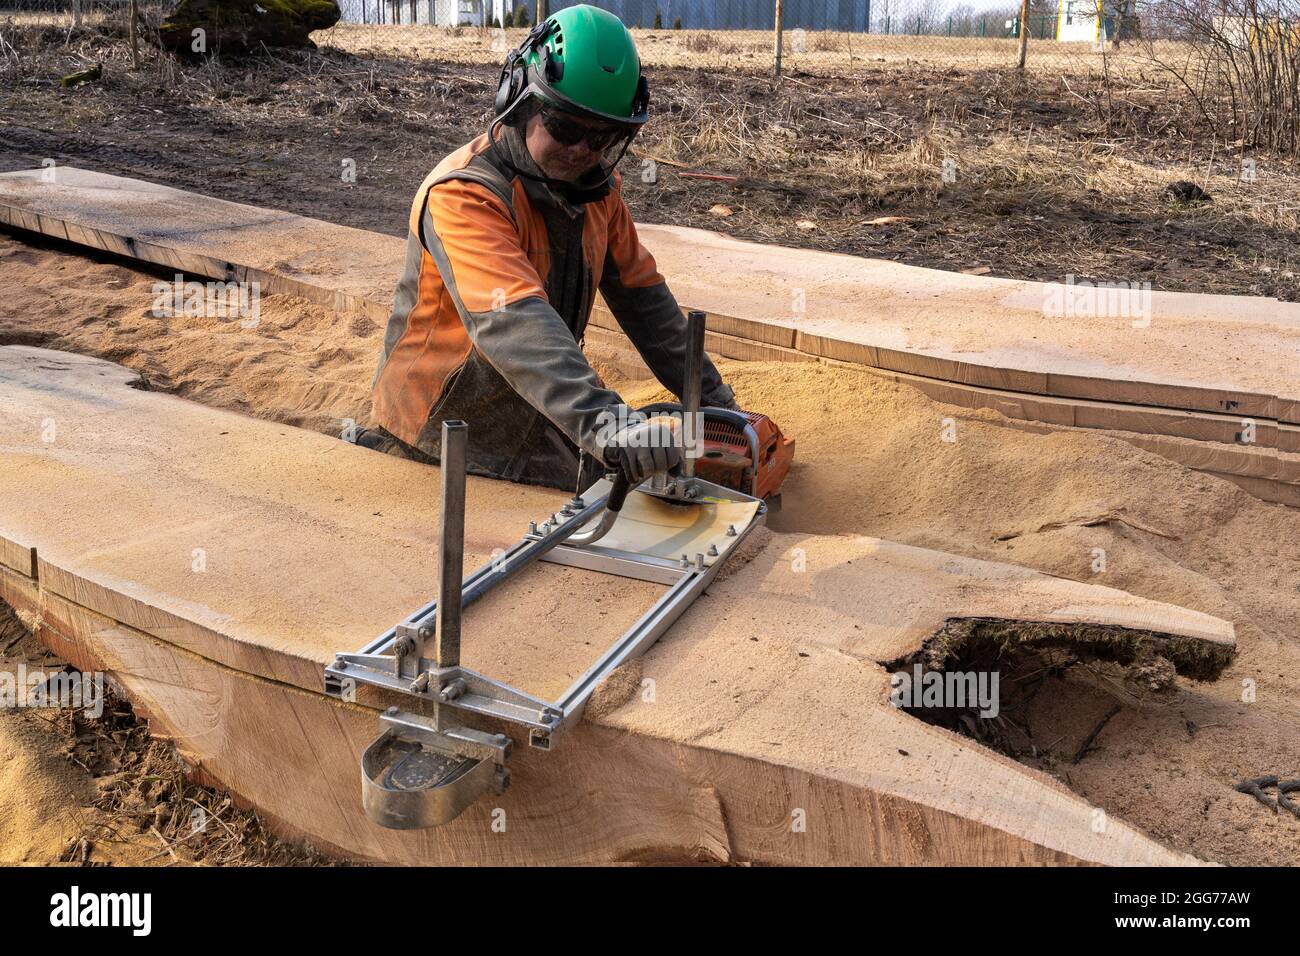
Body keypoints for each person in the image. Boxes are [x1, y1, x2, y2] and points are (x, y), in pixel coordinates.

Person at [357, 4, 739, 492]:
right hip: (440, 430)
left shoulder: (597, 191)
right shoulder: (464, 195)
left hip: (538, 410)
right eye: (564, 126)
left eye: (601, 135)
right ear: (520, 99)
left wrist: (717, 405)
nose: (582, 149)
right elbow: (515, 324)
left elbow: (648, 306)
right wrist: (609, 425)